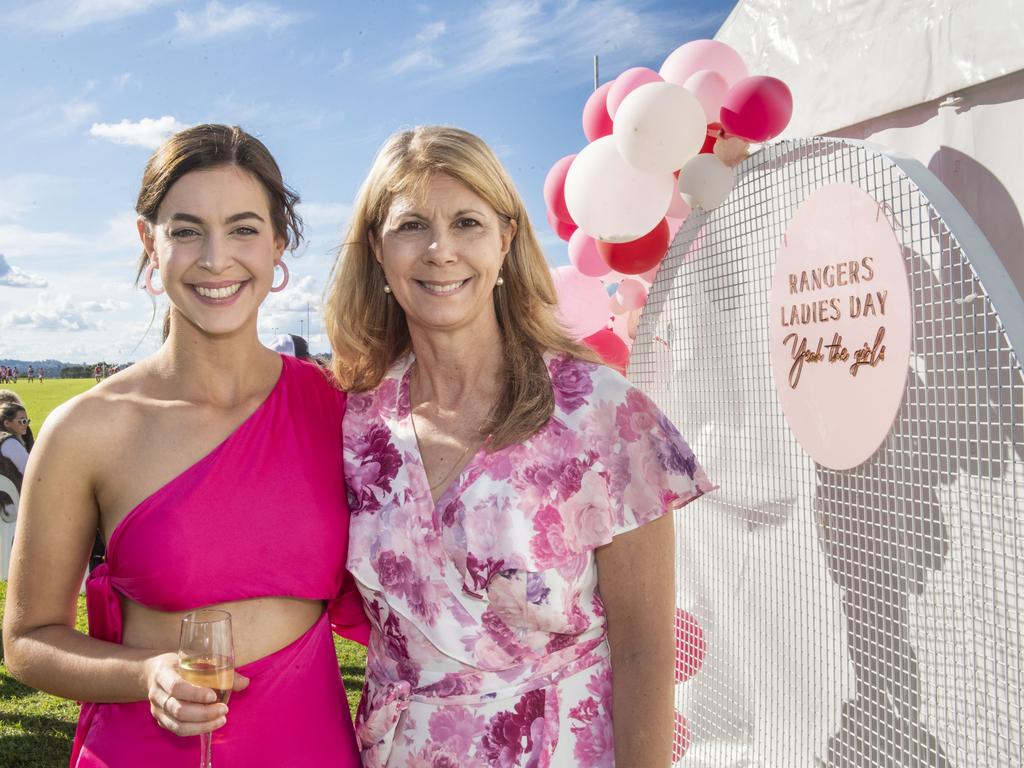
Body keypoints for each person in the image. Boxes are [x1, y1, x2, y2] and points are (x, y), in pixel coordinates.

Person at [326, 125, 715, 767]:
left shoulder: (599, 410)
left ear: (506, 240)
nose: (440, 250)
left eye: (468, 223)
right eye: (412, 224)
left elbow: (646, 646)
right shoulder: (355, 424)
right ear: (377, 248)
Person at [3, 124, 366, 768]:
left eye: (245, 228)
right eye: (186, 229)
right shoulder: (86, 431)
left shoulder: (337, 409)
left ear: (279, 243)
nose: (215, 257)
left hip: (310, 747)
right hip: (149, 753)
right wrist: (147, 675)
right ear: (150, 242)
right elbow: (29, 640)